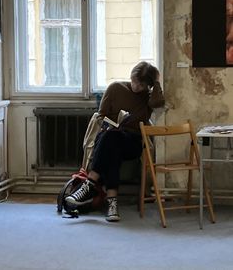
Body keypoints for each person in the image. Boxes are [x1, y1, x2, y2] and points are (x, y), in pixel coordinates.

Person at [65, 61, 165, 222]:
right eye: (135, 81)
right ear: (131, 76)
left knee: (112, 141)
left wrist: (156, 83)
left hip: (132, 141)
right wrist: (112, 125)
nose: (136, 87)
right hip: (108, 134)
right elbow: (100, 116)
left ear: (148, 85)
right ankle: (112, 204)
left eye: (141, 85)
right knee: (111, 141)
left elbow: (159, 103)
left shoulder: (148, 97)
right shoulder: (115, 88)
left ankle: (89, 185)